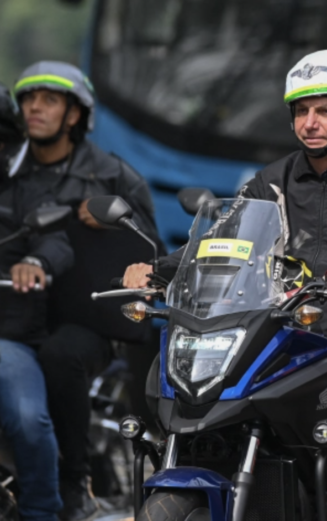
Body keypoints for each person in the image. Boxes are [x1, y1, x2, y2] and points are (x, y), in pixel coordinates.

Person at [123, 50, 327, 520]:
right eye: (301, 110)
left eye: (325, 110)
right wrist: (157, 271)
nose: (310, 122)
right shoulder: (270, 181)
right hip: (284, 341)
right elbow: (219, 238)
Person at [12, 61, 161, 520]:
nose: (35, 108)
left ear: (75, 114)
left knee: (62, 354)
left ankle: (73, 483)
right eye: (28, 99)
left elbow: (152, 253)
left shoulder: (111, 176)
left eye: (50, 100)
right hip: (13, 315)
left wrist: (120, 221)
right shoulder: (8, 169)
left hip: (86, 321)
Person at [0, 83, 73, 521]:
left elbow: (58, 242)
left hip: (7, 339)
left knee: (29, 420)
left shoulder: (28, 193)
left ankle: (42, 511)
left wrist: (35, 260)